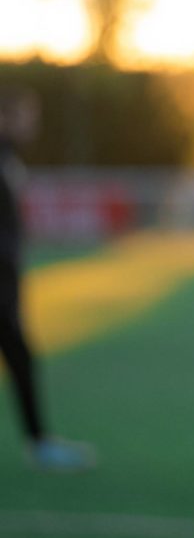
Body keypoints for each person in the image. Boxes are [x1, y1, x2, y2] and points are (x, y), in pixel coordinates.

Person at [0, 86, 96, 471]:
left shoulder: (10, 159)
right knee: (20, 355)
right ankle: (39, 444)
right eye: (25, 116)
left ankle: (39, 443)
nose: (32, 125)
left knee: (21, 357)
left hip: (7, 279)